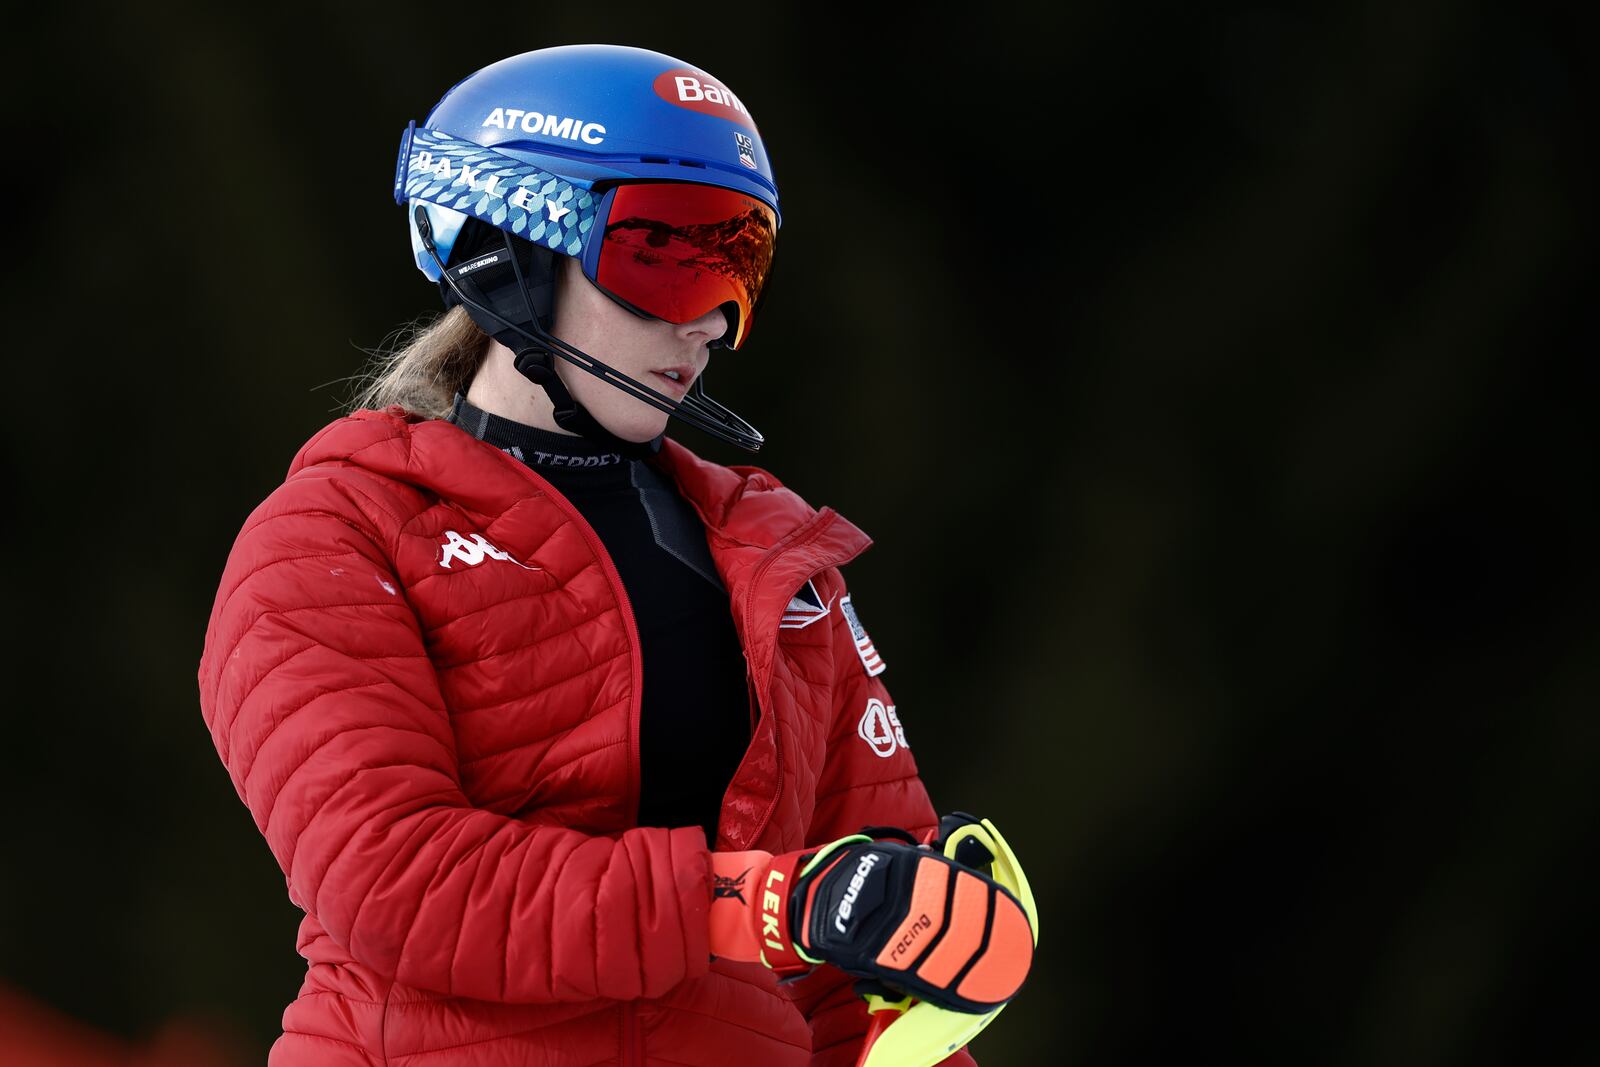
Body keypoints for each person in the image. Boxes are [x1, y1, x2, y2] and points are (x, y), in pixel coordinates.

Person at [197, 45, 1032, 1067]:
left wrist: (920, 935)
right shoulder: (337, 537)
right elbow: (396, 880)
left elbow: (855, 967)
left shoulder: (778, 565)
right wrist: (757, 901)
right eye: (664, 258)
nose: (706, 322)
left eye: (738, 265)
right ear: (505, 252)